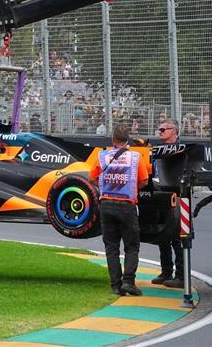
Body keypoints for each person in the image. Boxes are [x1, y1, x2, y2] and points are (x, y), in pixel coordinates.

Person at [90, 124, 149, 296]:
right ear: (128, 139)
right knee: (131, 246)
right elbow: (144, 181)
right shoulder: (136, 157)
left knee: (111, 246)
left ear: (113, 140)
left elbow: (92, 178)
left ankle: (116, 285)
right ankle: (128, 282)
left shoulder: (101, 156)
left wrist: (105, 186)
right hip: (127, 205)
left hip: (106, 204)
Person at [151, 118, 185, 288]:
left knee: (178, 237)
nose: (160, 131)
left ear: (175, 131)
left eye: (164, 129)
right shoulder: (157, 151)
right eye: (160, 129)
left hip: (177, 198)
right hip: (160, 196)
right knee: (161, 234)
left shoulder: (182, 151)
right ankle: (166, 271)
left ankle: (181, 275)